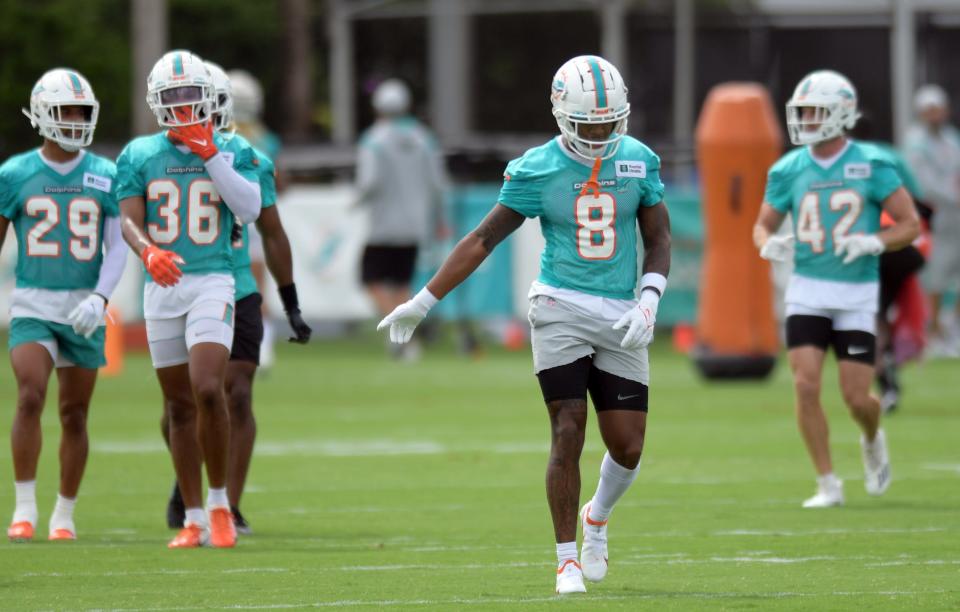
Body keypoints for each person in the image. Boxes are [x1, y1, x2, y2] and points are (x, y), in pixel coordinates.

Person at [377, 56, 670, 594]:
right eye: (589, 125)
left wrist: (649, 299)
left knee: (628, 445)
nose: (601, 135)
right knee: (567, 428)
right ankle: (565, 561)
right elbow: (482, 239)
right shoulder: (537, 168)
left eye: (610, 122)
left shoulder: (639, 160)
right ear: (562, 116)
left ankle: (597, 518)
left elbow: (659, 238)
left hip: (622, 311)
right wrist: (423, 300)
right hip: (559, 306)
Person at [754, 70, 920, 508]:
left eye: (814, 112)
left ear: (841, 114)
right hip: (807, 288)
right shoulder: (788, 168)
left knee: (856, 397)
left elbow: (910, 224)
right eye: (802, 111)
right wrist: (768, 243)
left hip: (855, 292)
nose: (806, 120)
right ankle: (827, 482)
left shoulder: (872, 163)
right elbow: (762, 225)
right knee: (805, 384)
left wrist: (874, 241)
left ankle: (871, 434)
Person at [116, 50, 261, 548]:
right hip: (163, 286)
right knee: (178, 406)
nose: (182, 106)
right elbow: (130, 220)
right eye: (171, 98)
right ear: (157, 103)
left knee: (206, 387)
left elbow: (249, 207)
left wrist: (210, 155)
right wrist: (147, 249)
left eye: (190, 96)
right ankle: (194, 517)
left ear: (207, 98)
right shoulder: (139, 155)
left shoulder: (232, 148)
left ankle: (221, 506)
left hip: (213, 281)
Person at [163, 61, 312, 535]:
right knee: (181, 406)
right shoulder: (156, 155)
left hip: (237, 287)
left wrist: (290, 303)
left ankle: (228, 501)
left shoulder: (245, 151)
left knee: (235, 393)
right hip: (181, 288)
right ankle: (190, 478)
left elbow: (271, 229)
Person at [1, 69, 126, 541]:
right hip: (33, 304)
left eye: (81, 112)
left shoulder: (105, 173)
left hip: (85, 310)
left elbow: (117, 247)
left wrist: (100, 297)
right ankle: (25, 507)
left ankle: (64, 513)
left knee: (74, 413)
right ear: (41, 114)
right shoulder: (14, 174)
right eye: (64, 111)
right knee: (30, 394)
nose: (74, 121)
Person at [357, 78, 448, 360]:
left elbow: (368, 183)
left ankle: (397, 330)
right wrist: (440, 217)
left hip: (382, 223)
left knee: (370, 278)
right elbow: (438, 182)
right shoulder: (424, 138)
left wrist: (354, 202)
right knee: (402, 282)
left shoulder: (373, 139)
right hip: (415, 224)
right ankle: (406, 339)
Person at [849, 113, 929, 413]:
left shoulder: (845, 160)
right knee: (882, 310)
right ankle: (889, 361)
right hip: (906, 248)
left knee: (869, 314)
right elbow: (921, 204)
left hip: (873, 245)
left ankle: (885, 374)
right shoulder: (892, 156)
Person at [227, 69, 283, 369]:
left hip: (226, 220)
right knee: (255, 285)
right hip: (256, 218)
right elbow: (277, 181)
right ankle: (263, 347)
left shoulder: (220, 137)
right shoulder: (266, 139)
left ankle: (252, 344)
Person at [904, 85, 960, 358]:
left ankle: (953, 331)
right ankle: (934, 332)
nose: (935, 115)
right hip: (935, 217)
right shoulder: (915, 142)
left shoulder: (951, 139)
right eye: (930, 110)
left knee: (957, 275)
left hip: (956, 217)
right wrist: (953, 195)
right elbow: (923, 183)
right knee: (935, 277)